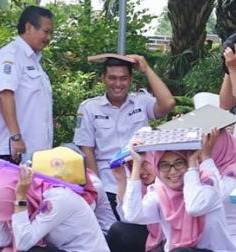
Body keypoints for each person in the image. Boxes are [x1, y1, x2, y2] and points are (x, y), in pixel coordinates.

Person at [74, 54, 175, 232]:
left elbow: (167, 103)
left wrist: (147, 69)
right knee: (115, 233)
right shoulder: (89, 108)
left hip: (142, 183)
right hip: (109, 186)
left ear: (131, 79)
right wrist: (97, 191)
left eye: (123, 78)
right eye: (112, 78)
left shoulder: (141, 102)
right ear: (103, 78)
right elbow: (87, 151)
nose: (118, 84)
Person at [0, 6, 55, 161]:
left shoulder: (33, 60)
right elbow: (5, 94)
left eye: (50, 32)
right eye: (45, 31)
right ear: (29, 27)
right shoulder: (10, 56)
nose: (48, 37)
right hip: (12, 150)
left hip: (33, 151)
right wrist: (16, 137)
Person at [106, 157, 164, 252]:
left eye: (145, 164)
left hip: (174, 244)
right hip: (153, 239)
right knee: (119, 230)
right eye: (133, 167)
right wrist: (121, 181)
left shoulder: (169, 183)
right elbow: (128, 218)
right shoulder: (141, 187)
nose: (141, 171)